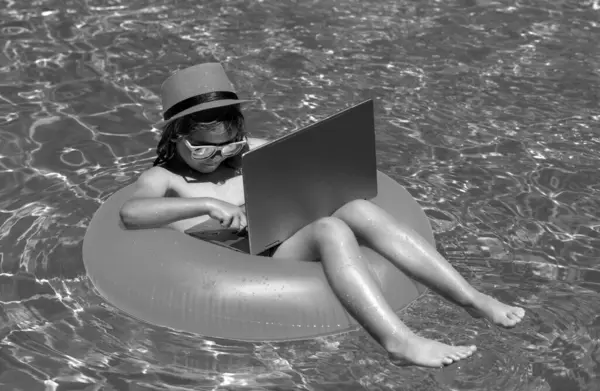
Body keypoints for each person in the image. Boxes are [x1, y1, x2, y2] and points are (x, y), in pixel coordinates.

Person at [119, 63, 525, 368]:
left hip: (279, 237)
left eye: (229, 144)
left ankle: (471, 299)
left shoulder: (249, 154)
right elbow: (133, 212)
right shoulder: (166, 178)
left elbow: (302, 170)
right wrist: (205, 204)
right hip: (239, 262)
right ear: (176, 137)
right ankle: (397, 341)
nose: (219, 156)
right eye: (204, 148)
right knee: (331, 228)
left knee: (357, 209)